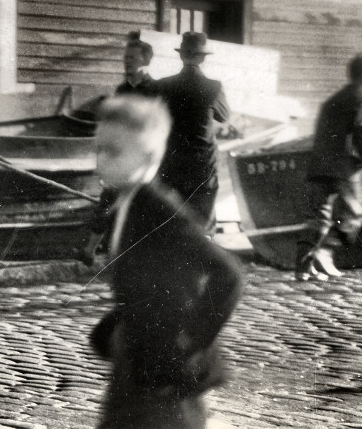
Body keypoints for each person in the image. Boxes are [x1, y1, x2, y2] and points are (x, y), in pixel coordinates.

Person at [90, 96, 244, 429]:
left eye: (113, 151)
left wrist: (190, 343)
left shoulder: (160, 210)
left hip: (165, 369)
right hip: (137, 356)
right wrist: (115, 327)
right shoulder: (126, 203)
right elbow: (149, 285)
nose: (100, 160)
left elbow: (228, 274)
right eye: (98, 149)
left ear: (147, 157)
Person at [77, 31, 162, 265]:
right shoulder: (122, 91)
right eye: (125, 58)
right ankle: (89, 251)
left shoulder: (155, 91)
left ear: (146, 60)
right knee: (107, 202)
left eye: (132, 58)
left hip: (143, 158)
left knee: (143, 209)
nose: (127, 62)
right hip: (122, 156)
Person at [293, 54, 362, 281]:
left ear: (349, 73)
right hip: (344, 167)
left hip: (318, 165)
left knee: (317, 218)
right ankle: (325, 250)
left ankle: (303, 268)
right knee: (353, 215)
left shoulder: (332, 100)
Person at [155, 31, 230, 232]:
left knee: (172, 222)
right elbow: (224, 117)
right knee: (204, 223)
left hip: (172, 164)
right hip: (202, 166)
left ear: (181, 55)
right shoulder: (213, 87)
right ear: (202, 58)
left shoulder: (163, 85)